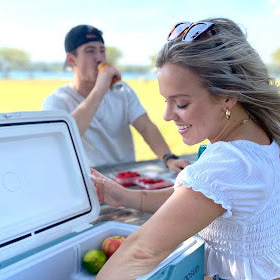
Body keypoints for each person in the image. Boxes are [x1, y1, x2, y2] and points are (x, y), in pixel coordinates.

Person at [67, 18, 280, 280]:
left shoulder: (229, 161)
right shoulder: (252, 132)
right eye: (166, 102)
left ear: (228, 94)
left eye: (181, 103)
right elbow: (195, 195)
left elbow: (142, 251)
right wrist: (127, 198)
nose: (168, 116)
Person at [42, 24, 189, 172]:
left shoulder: (122, 91)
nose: (99, 58)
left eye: (102, 51)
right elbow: (61, 139)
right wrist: (99, 90)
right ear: (71, 60)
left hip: (125, 175)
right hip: (86, 178)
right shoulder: (57, 101)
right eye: (90, 51)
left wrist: (169, 158)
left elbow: (146, 127)